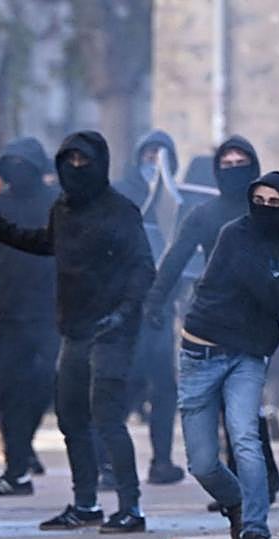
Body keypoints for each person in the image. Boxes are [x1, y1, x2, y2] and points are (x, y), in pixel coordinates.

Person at [0, 130, 154, 534]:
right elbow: (42, 243)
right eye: (69, 161)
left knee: (107, 418)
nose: (76, 169)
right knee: (71, 418)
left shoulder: (120, 210)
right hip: (75, 330)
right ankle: (85, 504)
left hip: (112, 332)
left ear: (100, 163)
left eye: (84, 161)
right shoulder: (63, 211)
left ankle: (131, 507)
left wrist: (123, 314)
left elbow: (143, 268)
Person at [166, 172, 279, 539]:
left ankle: (257, 534)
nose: (266, 209)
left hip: (247, 357)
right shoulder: (234, 236)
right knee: (202, 463)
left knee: (245, 440)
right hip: (200, 354)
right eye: (260, 200)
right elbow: (270, 292)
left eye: (275, 203)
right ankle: (237, 504)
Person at [0, 137, 60, 497]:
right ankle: (16, 466)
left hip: (51, 313)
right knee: (7, 390)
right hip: (10, 313)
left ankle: (20, 457)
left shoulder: (57, 204)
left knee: (41, 386)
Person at [113, 129, 185, 486]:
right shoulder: (122, 194)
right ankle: (109, 464)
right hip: (126, 306)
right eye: (150, 151)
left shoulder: (177, 197)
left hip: (161, 306)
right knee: (126, 385)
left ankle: (161, 460)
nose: (155, 159)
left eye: (162, 152)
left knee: (163, 388)